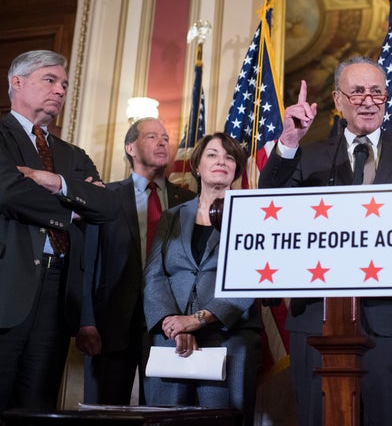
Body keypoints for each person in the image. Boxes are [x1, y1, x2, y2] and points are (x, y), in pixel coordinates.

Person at [259, 56, 392, 426]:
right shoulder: (308, 154)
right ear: (338, 100)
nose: (369, 100)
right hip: (318, 320)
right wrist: (289, 141)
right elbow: (268, 205)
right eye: (357, 92)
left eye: (377, 92)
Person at [0, 50, 119, 411]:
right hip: (8, 283)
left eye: (64, 84)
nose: (60, 90)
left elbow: (108, 206)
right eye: (50, 80)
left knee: (38, 406)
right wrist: (72, 209)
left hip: (58, 291)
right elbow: (7, 190)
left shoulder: (73, 155)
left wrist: (50, 179)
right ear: (16, 82)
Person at [143, 132, 262, 423]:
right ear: (197, 166)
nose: (221, 161)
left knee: (222, 419)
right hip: (171, 336)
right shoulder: (172, 217)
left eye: (229, 156)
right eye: (212, 154)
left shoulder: (252, 215)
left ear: (236, 168)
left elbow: (250, 277)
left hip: (229, 335)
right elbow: (154, 275)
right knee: (164, 420)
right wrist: (175, 323)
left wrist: (197, 320)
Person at [76, 117, 195, 404]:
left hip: (168, 324)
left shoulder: (189, 201)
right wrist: (86, 321)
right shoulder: (105, 196)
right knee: (104, 411)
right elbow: (88, 262)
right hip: (111, 324)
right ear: (130, 147)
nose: (163, 142)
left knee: (163, 413)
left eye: (165, 137)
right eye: (152, 136)